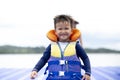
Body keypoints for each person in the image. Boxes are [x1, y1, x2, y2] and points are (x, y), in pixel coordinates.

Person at [30, 14, 91, 80]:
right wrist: (35, 69)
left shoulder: (76, 46)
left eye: (66, 28)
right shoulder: (51, 46)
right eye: (60, 29)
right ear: (55, 31)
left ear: (71, 31)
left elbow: (85, 58)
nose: (63, 31)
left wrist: (88, 72)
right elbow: (44, 59)